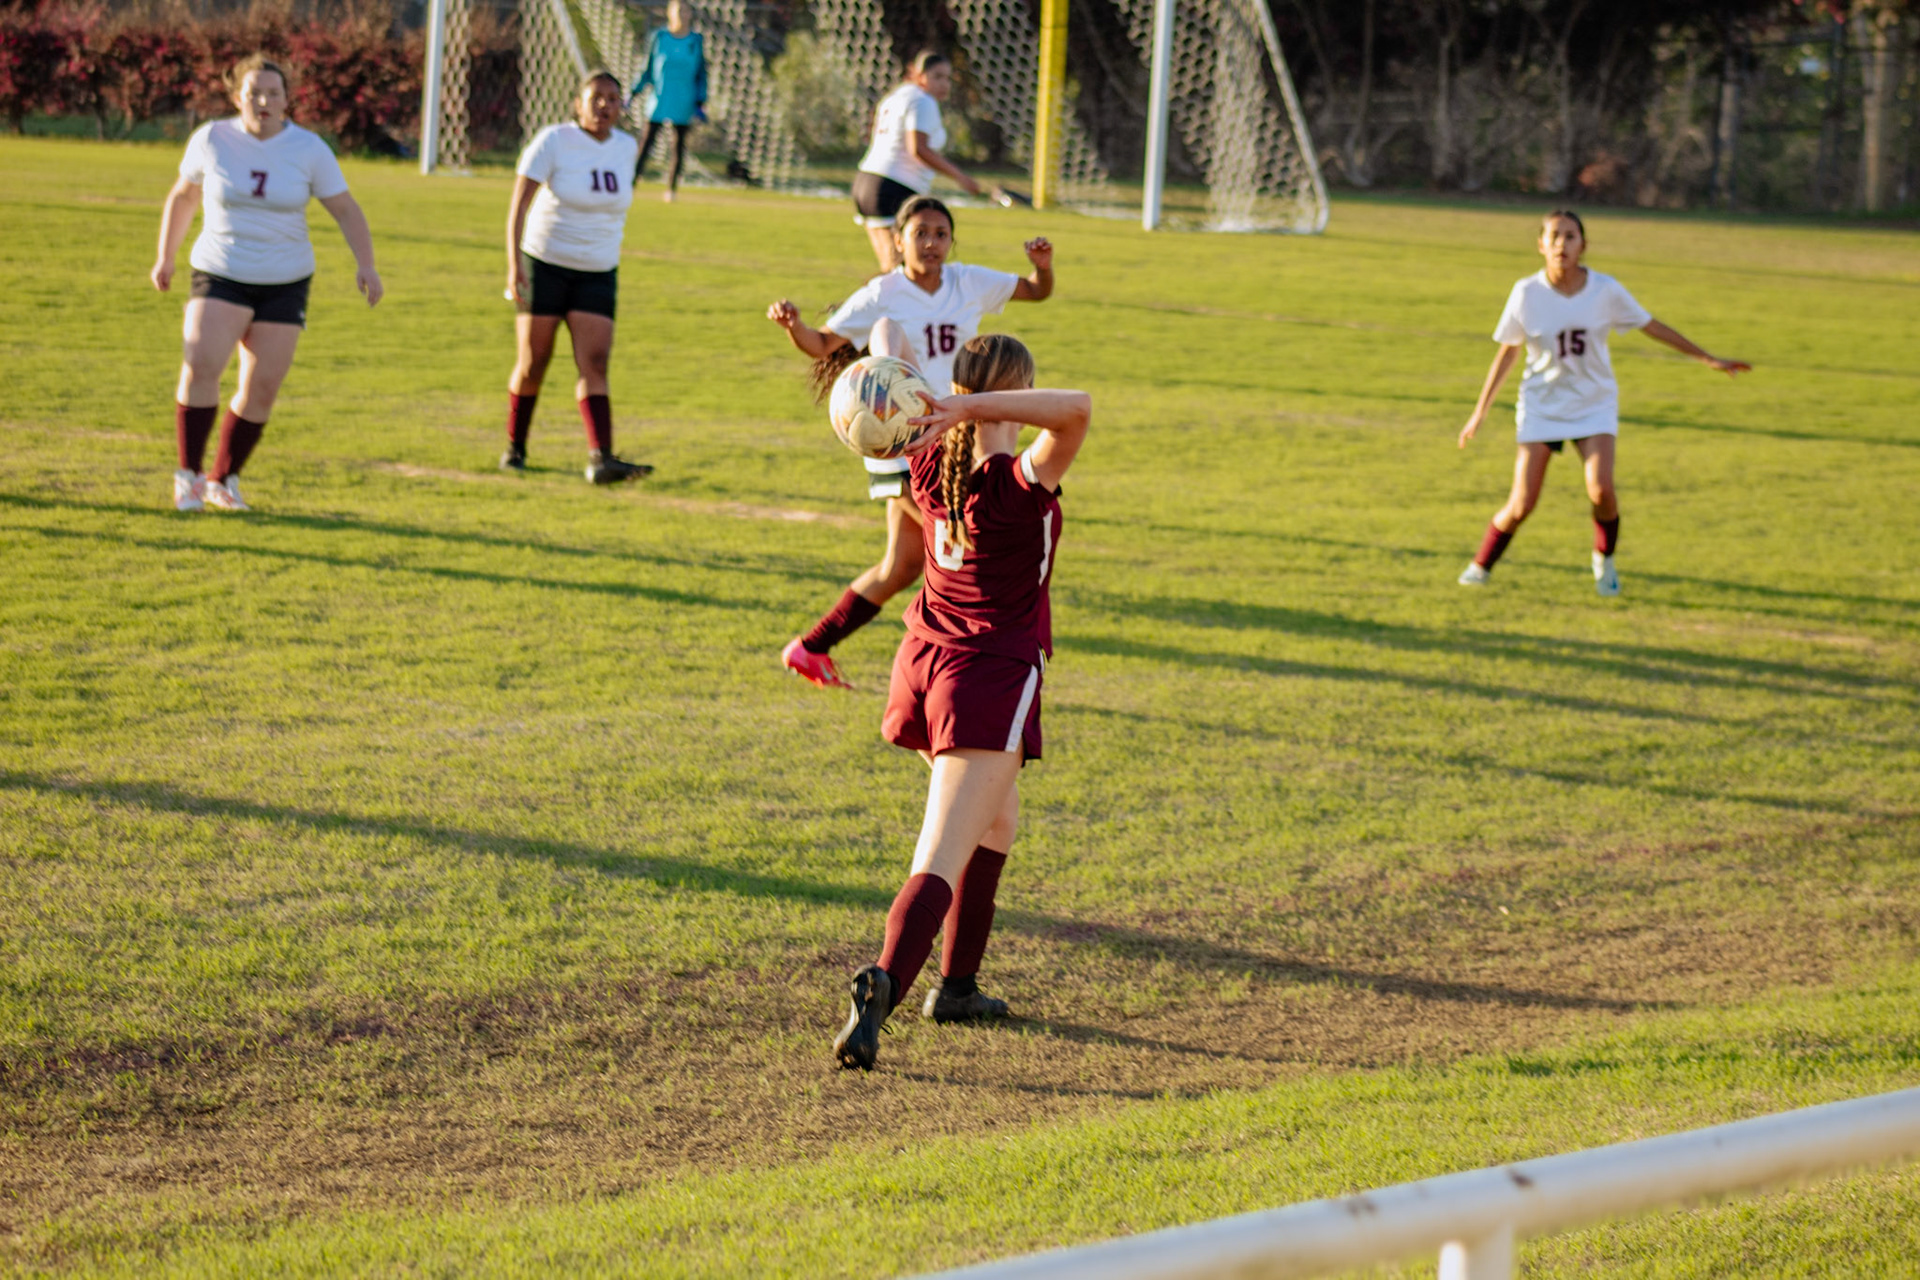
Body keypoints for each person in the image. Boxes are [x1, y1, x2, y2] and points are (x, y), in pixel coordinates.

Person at [831, 331, 1090, 1072]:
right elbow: (1077, 409)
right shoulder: (1016, 479)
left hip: (924, 663)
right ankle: (884, 980)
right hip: (982, 678)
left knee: (995, 823)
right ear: (1016, 389)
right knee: (941, 851)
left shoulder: (926, 457)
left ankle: (959, 985)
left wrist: (923, 389)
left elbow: (889, 344)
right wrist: (968, 404)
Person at [766, 194, 1054, 689]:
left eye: (941, 233)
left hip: (951, 436)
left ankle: (810, 648)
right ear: (897, 241)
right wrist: (795, 328)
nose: (931, 242)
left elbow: (1035, 292)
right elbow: (821, 345)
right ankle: (957, 643)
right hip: (896, 435)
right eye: (920, 233)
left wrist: (1042, 268)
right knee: (965, 537)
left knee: (902, 565)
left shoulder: (968, 281)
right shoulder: (882, 294)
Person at [1457, 210, 1749, 595]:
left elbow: (1651, 325)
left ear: (1584, 245)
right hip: (1543, 405)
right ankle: (1481, 565)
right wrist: (1480, 411)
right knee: (1522, 504)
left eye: (1571, 236)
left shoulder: (1605, 290)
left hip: (1593, 405)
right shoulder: (1526, 293)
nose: (1562, 243)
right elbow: (1508, 352)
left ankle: (1604, 560)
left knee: (1601, 490)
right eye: (1555, 236)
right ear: (1541, 245)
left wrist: (1707, 357)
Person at [151, 53, 381, 513]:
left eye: (273, 92)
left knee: (263, 387)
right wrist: (166, 257)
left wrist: (367, 265)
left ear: (286, 98)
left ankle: (223, 478)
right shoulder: (212, 138)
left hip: (285, 279)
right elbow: (184, 195)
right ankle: (189, 476)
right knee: (201, 363)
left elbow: (345, 208)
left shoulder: (309, 149)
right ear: (237, 96)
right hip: (221, 270)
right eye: (254, 92)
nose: (263, 100)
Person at [502, 70, 652, 484]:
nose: (605, 106)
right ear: (578, 103)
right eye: (596, 97)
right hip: (545, 264)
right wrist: (514, 264)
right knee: (534, 362)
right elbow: (518, 205)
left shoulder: (626, 147)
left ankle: (601, 458)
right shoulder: (553, 140)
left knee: (595, 362)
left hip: (598, 270)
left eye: (613, 99)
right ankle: (516, 447)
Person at [852, 51, 1002, 272]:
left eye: (948, 78)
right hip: (892, 188)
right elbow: (918, 149)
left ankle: (866, 307)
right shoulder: (923, 101)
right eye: (937, 77)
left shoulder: (896, 96)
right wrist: (960, 177)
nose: (944, 84)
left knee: (891, 273)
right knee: (904, 274)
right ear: (920, 76)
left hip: (866, 182)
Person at [631, 0, 706, 203]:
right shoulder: (660, 37)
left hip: (684, 100)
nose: (682, 14)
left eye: (685, 11)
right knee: (646, 143)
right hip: (659, 99)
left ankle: (671, 190)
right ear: (669, 13)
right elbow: (647, 68)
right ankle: (630, 183)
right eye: (678, 10)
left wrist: (700, 102)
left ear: (690, 14)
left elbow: (701, 73)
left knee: (678, 146)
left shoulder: (695, 40)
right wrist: (633, 92)